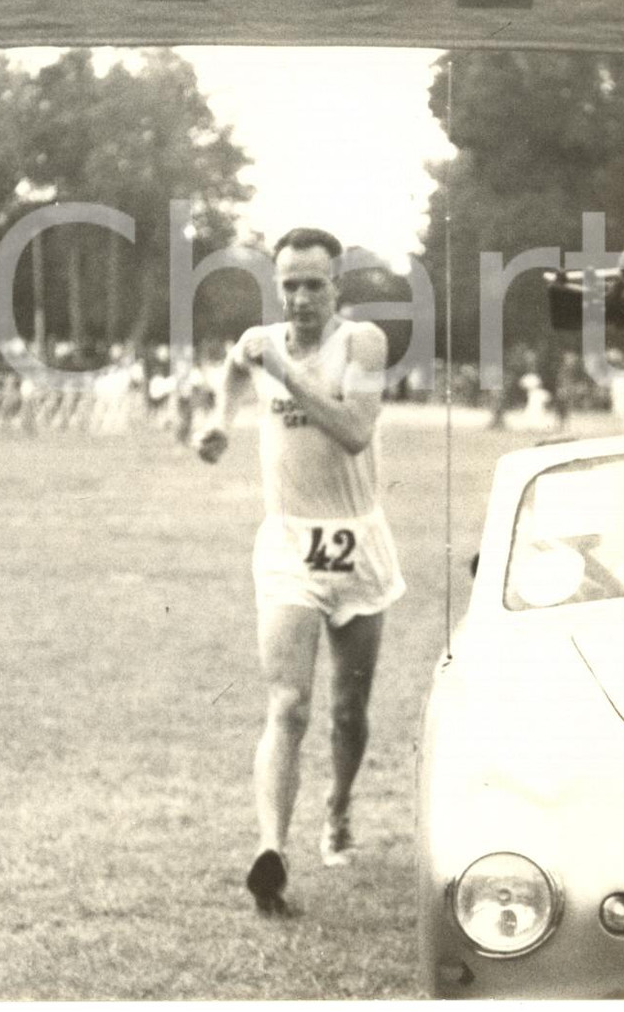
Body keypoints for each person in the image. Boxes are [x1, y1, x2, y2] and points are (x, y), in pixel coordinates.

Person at [194, 227, 405, 916]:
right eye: (289, 282)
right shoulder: (260, 339)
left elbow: (353, 429)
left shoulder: (363, 343)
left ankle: (338, 808)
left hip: (357, 543)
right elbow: (231, 369)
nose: (300, 296)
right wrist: (219, 422)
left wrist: (283, 371)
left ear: (337, 283)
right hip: (288, 542)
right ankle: (272, 853)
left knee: (349, 709)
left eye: (314, 282)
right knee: (289, 703)